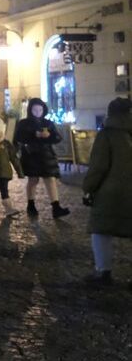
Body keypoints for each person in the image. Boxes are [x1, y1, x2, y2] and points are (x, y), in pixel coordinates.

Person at [81, 98, 132, 287]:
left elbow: (98, 167)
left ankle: (103, 272)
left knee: (100, 231)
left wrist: (89, 188)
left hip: (111, 193)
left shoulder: (107, 135)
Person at [13, 98, 69, 219]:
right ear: (30, 110)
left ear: (43, 110)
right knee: (33, 180)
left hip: (46, 156)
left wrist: (49, 135)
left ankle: (56, 207)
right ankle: (31, 204)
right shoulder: (24, 123)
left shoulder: (48, 123)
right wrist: (34, 135)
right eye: (35, 109)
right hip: (31, 156)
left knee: (50, 179)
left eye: (40, 109)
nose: (38, 111)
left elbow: (57, 137)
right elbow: (18, 137)